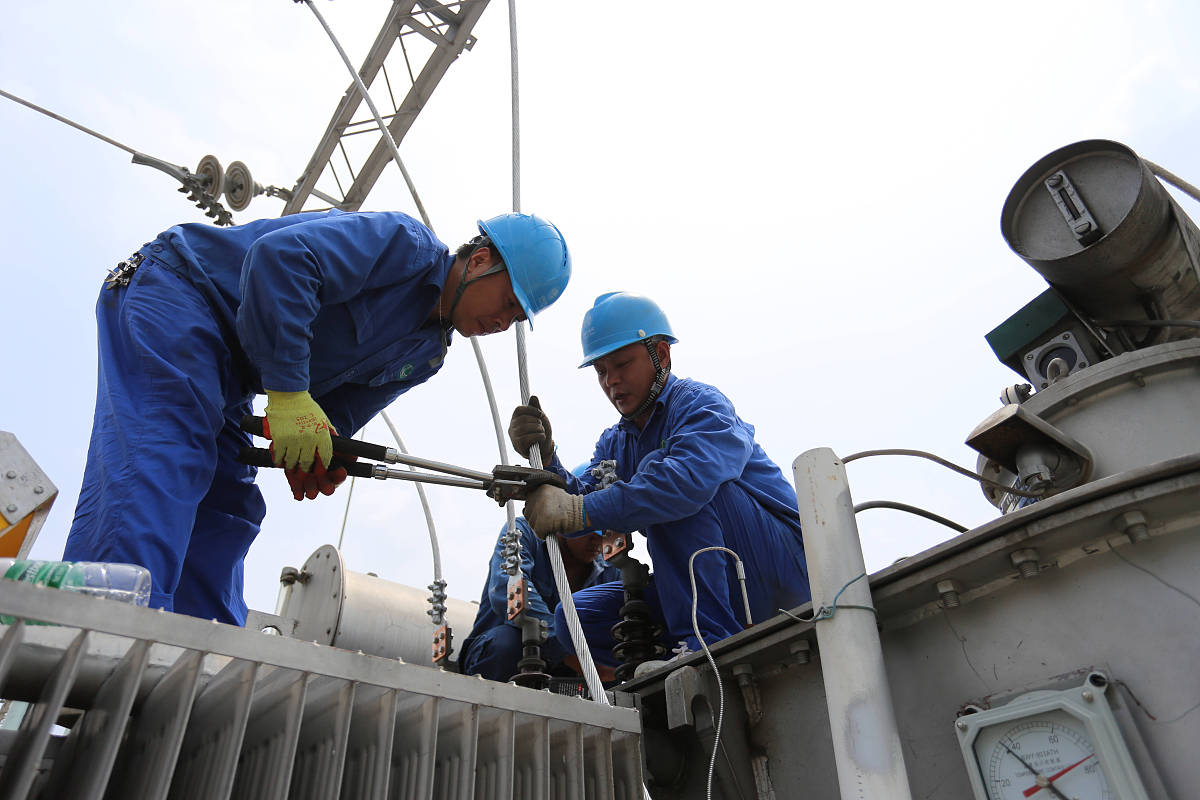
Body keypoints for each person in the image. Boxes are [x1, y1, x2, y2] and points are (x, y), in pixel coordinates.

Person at [64, 210, 571, 625]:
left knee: (229, 503)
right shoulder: (405, 245)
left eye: (516, 319)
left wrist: (319, 454)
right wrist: (286, 393)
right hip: (181, 295)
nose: (504, 323)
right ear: (480, 260)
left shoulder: (428, 354)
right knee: (165, 458)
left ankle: (195, 649)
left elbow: (333, 417)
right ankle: (101, 627)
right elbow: (280, 260)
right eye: (507, 303)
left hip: (231, 372)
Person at [509, 291, 809, 672]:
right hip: (712, 588)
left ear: (661, 355)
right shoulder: (616, 442)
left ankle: (704, 649)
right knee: (574, 618)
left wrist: (578, 509)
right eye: (601, 371)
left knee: (666, 485)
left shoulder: (700, 405)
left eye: (622, 365)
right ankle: (674, 657)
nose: (611, 382)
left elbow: (682, 485)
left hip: (781, 569)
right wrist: (548, 460)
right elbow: (584, 510)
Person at [458, 508, 620, 682]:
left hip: (569, 665)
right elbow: (507, 589)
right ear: (563, 520)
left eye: (605, 533)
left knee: (615, 671)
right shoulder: (523, 532)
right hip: (502, 657)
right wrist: (569, 651)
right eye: (590, 531)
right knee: (508, 644)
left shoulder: (611, 571)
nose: (598, 541)